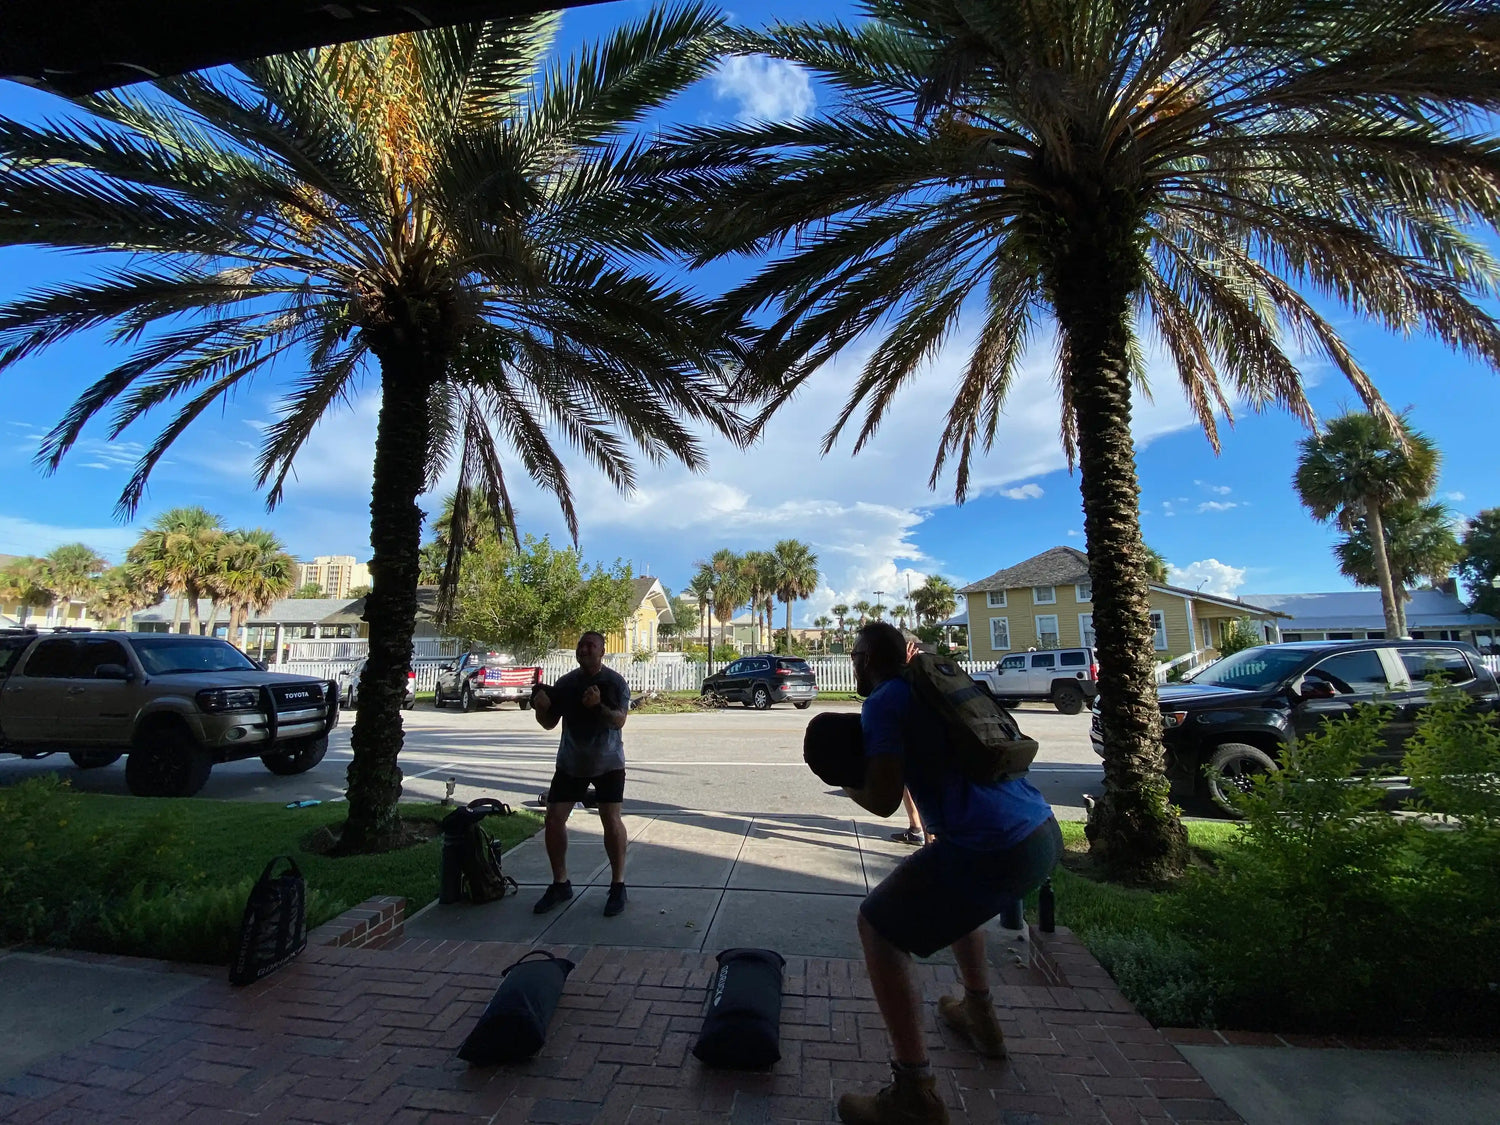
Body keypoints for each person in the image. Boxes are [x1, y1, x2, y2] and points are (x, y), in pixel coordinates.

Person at [836, 622, 1062, 1125]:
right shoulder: (932, 685)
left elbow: (883, 799)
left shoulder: (886, 700)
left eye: (854, 655)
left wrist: (843, 782)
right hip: (1041, 832)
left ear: (868, 659)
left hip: (995, 847)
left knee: (877, 926)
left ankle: (914, 1091)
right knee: (960, 897)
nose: (852, 663)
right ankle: (979, 1015)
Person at [529, 630, 631, 918]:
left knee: (611, 821)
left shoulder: (614, 682)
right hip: (571, 763)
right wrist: (541, 709)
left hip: (608, 763)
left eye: (591, 645)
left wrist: (597, 706)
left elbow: (619, 721)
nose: (584, 650)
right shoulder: (566, 684)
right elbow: (549, 723)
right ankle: (560, 884)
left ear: (602, 651)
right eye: (581, 645)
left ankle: (617, 885)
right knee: (553, 820)